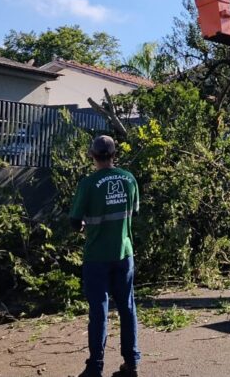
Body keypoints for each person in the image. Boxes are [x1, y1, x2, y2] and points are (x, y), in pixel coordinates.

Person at [70, 136, 141, 377]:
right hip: (124, 253)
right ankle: (131, 364)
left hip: (97, 257)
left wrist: (81, 224)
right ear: (114, 154)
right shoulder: (129, 179)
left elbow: (74, 221)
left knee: (99, 312)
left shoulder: (88, 184)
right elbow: (133, 211)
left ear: (92, 155)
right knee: (127, 308)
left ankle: (95, 367)